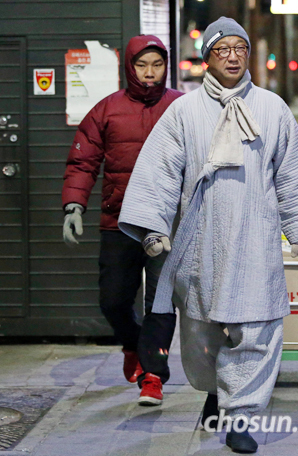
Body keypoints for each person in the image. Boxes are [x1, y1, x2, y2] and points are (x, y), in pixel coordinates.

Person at [118, 17, 298, 454]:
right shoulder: (182, 112)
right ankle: (217, 390)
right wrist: (154, 228)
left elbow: (291, 173)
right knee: (202, 331)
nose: (233, 57)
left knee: (257, 330)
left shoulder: (273, 108)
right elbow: (160, 172)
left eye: (240, 49)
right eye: (223, 50)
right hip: (200, 239)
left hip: (256, 236)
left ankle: (242, 415)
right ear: (207, 58)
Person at [61, 35, 183, 395]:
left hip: (165, 222)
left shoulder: (181, 106)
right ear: (130, 67)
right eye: (142, 65)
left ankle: (153, 376)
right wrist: (73, 205)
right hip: (119, 221)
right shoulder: (107, 109)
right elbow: (83, 161)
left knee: (160, 302)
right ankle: (134, 344)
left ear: (166, 66)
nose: (149, 73)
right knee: (113, 301)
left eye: (157, 65)